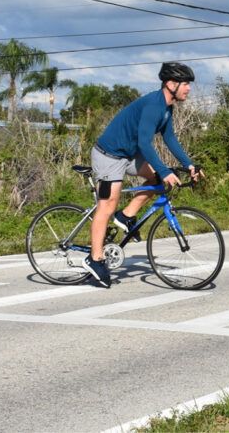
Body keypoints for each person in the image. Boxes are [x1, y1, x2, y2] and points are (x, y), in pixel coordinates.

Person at [82, 62, 202, 287]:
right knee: (107, 205)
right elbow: (144, 143)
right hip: (109, 156)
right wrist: (166, 170)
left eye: (188, 84)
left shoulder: (167, 108)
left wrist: (189, 164)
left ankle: (126, 216)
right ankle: (95, 258)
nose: (188, 88)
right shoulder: (153, 106)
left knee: (156, 180)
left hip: (127, 156)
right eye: (185, 84)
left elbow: (170, 139)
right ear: (170, 84)